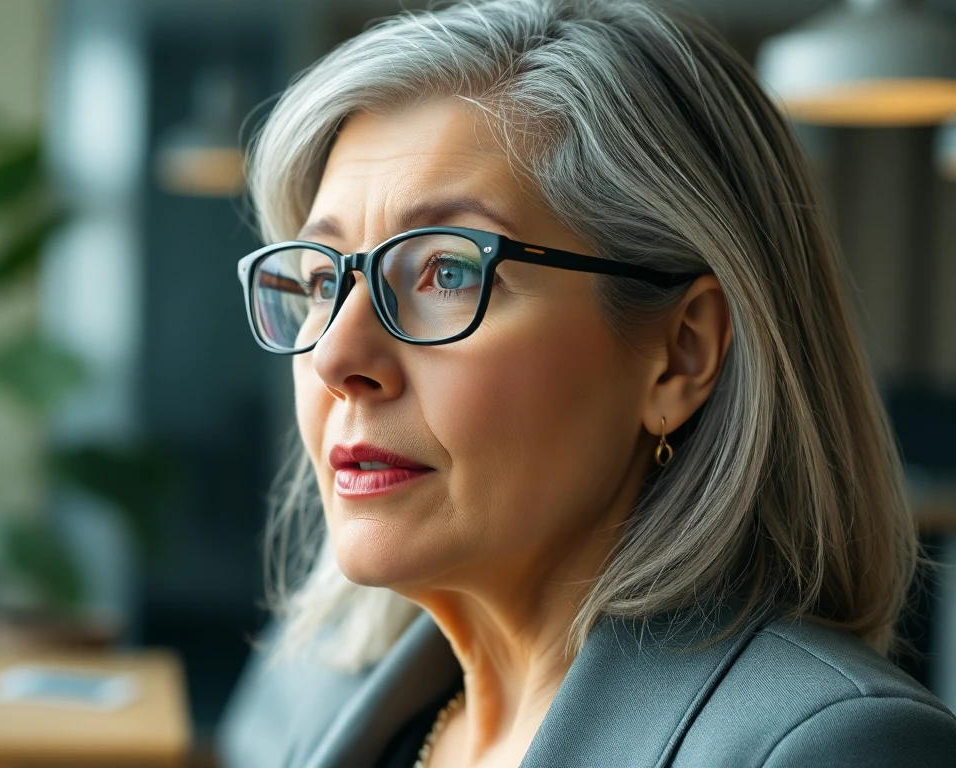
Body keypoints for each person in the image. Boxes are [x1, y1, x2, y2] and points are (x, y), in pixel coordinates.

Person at [217, 0, 956, 765]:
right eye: (317, 280)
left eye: (448, 272)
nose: (336, 356)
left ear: (680, 354)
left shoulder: (834, 748)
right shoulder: (313, 689)